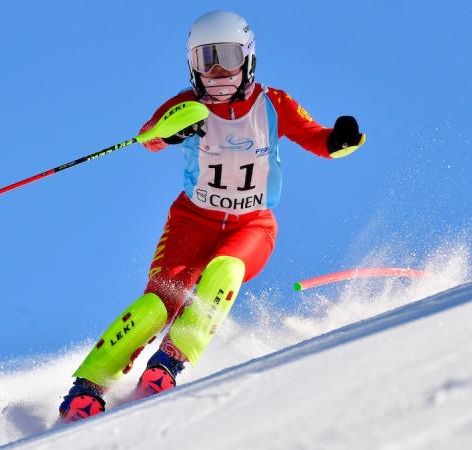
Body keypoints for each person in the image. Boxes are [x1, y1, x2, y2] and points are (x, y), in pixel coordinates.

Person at [58, 10, 365, 422]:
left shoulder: (274, 104)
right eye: (207, 60)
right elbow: (151, 136)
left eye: (228, 58)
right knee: (157, 303)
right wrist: (168, 132)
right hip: (192, 221)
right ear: (193, 66)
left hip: (252, 224)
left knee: (224, 271)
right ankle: (88, 388)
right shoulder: (188, 106)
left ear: (249, 59)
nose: (218, 70)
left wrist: (342, 139)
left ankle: (169, 362)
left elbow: (319, 140)